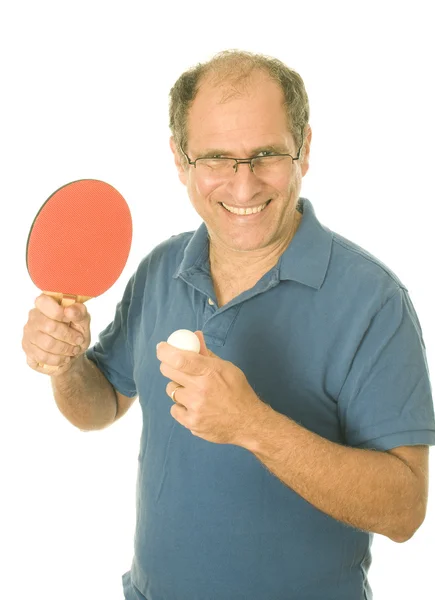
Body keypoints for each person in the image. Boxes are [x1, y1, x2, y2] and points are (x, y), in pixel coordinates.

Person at [22, 50, 435, 600]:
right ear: (179, 159)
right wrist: (65, 364)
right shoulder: (160, 270)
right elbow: (99, 408)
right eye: (216, 158)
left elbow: (404, 511)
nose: (243, 187)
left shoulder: (375, 302)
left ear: (304, 149)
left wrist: (252, 425)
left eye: (266, 154)